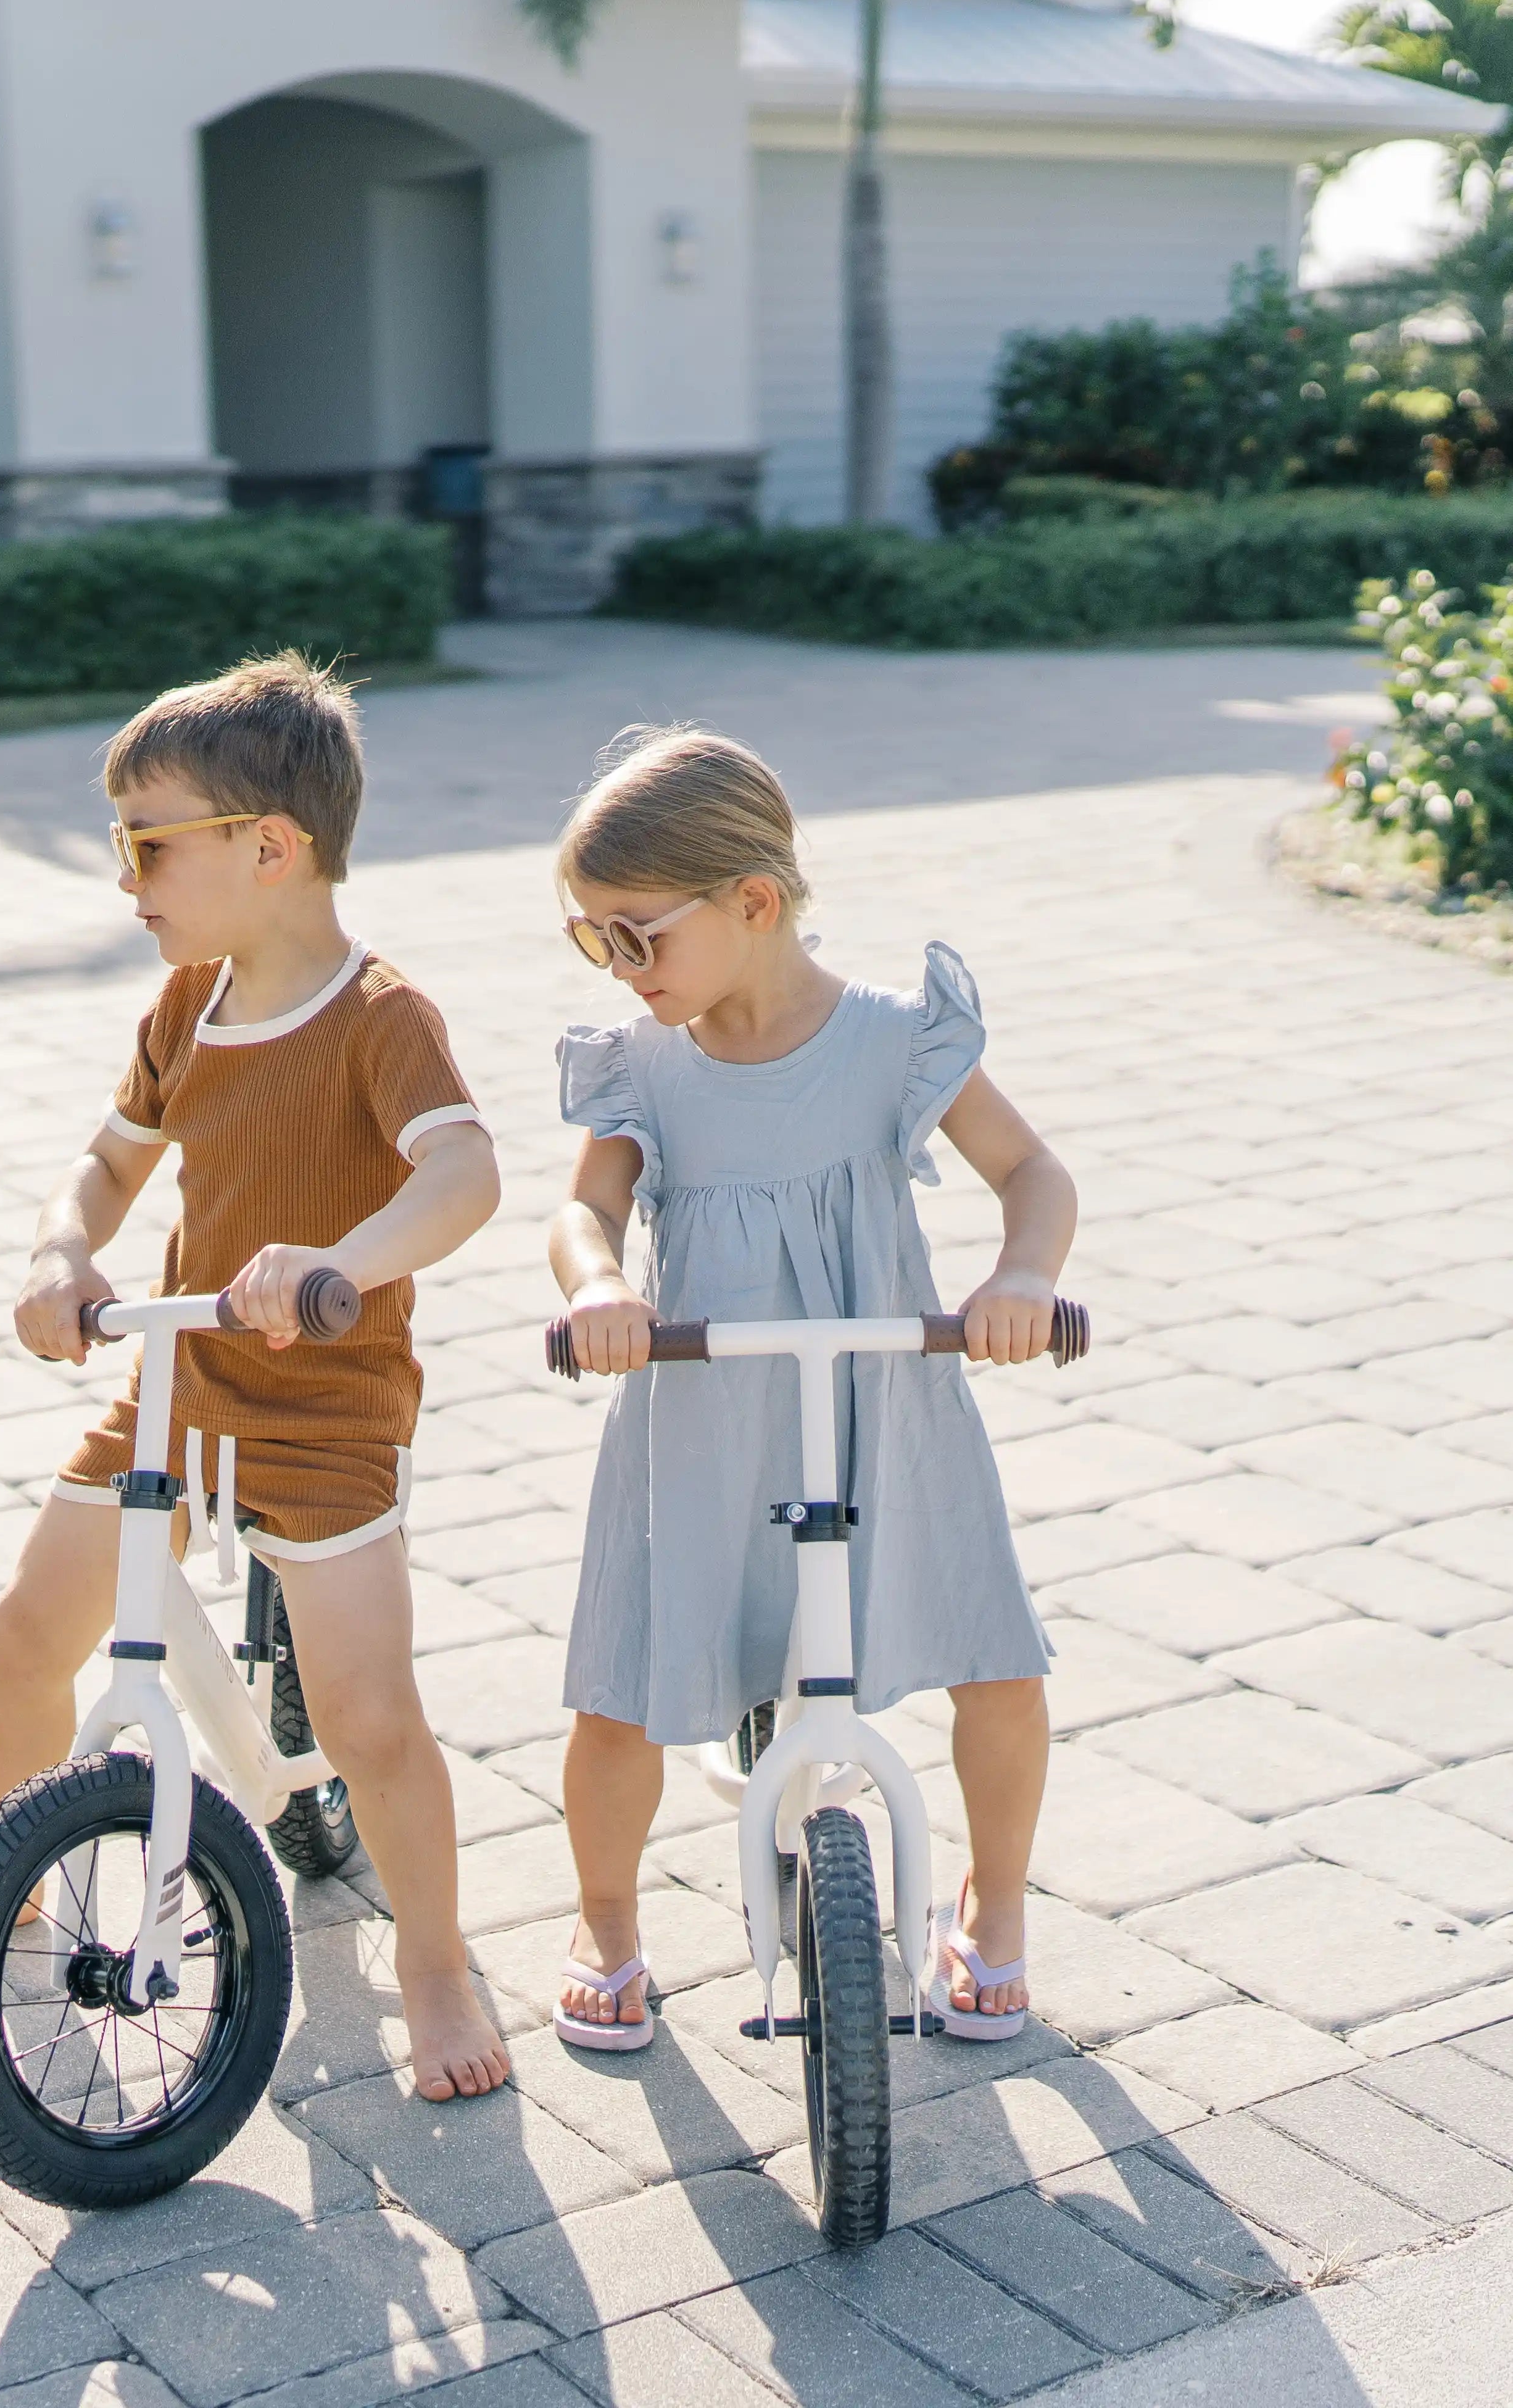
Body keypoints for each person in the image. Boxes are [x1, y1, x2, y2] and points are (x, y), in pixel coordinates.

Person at [0, 652, 512, 2102]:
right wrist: (61, 1253)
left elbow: (464, 1173)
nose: (127, 881)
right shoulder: (186, 1008)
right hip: (178, 1382)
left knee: (369, 1721)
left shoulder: (376, 1017)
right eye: (123, 848)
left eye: (148, 846)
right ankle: (13, 1882)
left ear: (268, 848)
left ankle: (433, 1960)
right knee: (28, 1632)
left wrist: (337, 1257)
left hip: (324, 1402)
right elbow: (107, 1162)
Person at [545, 728, 1074, 2047]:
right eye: (591, 942)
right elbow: (583, 1214)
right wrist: (600, 1290)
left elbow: (1034, 1175)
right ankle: (605, 1920)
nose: (619, 969)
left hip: (881, 1411)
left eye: (635, 937)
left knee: (993, 1657)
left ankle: (993, 1906)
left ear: (755, 904)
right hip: (700, 1417)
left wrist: (1018, 1277)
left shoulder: (893, 1041)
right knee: (619, 1685)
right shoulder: (644, 1067)